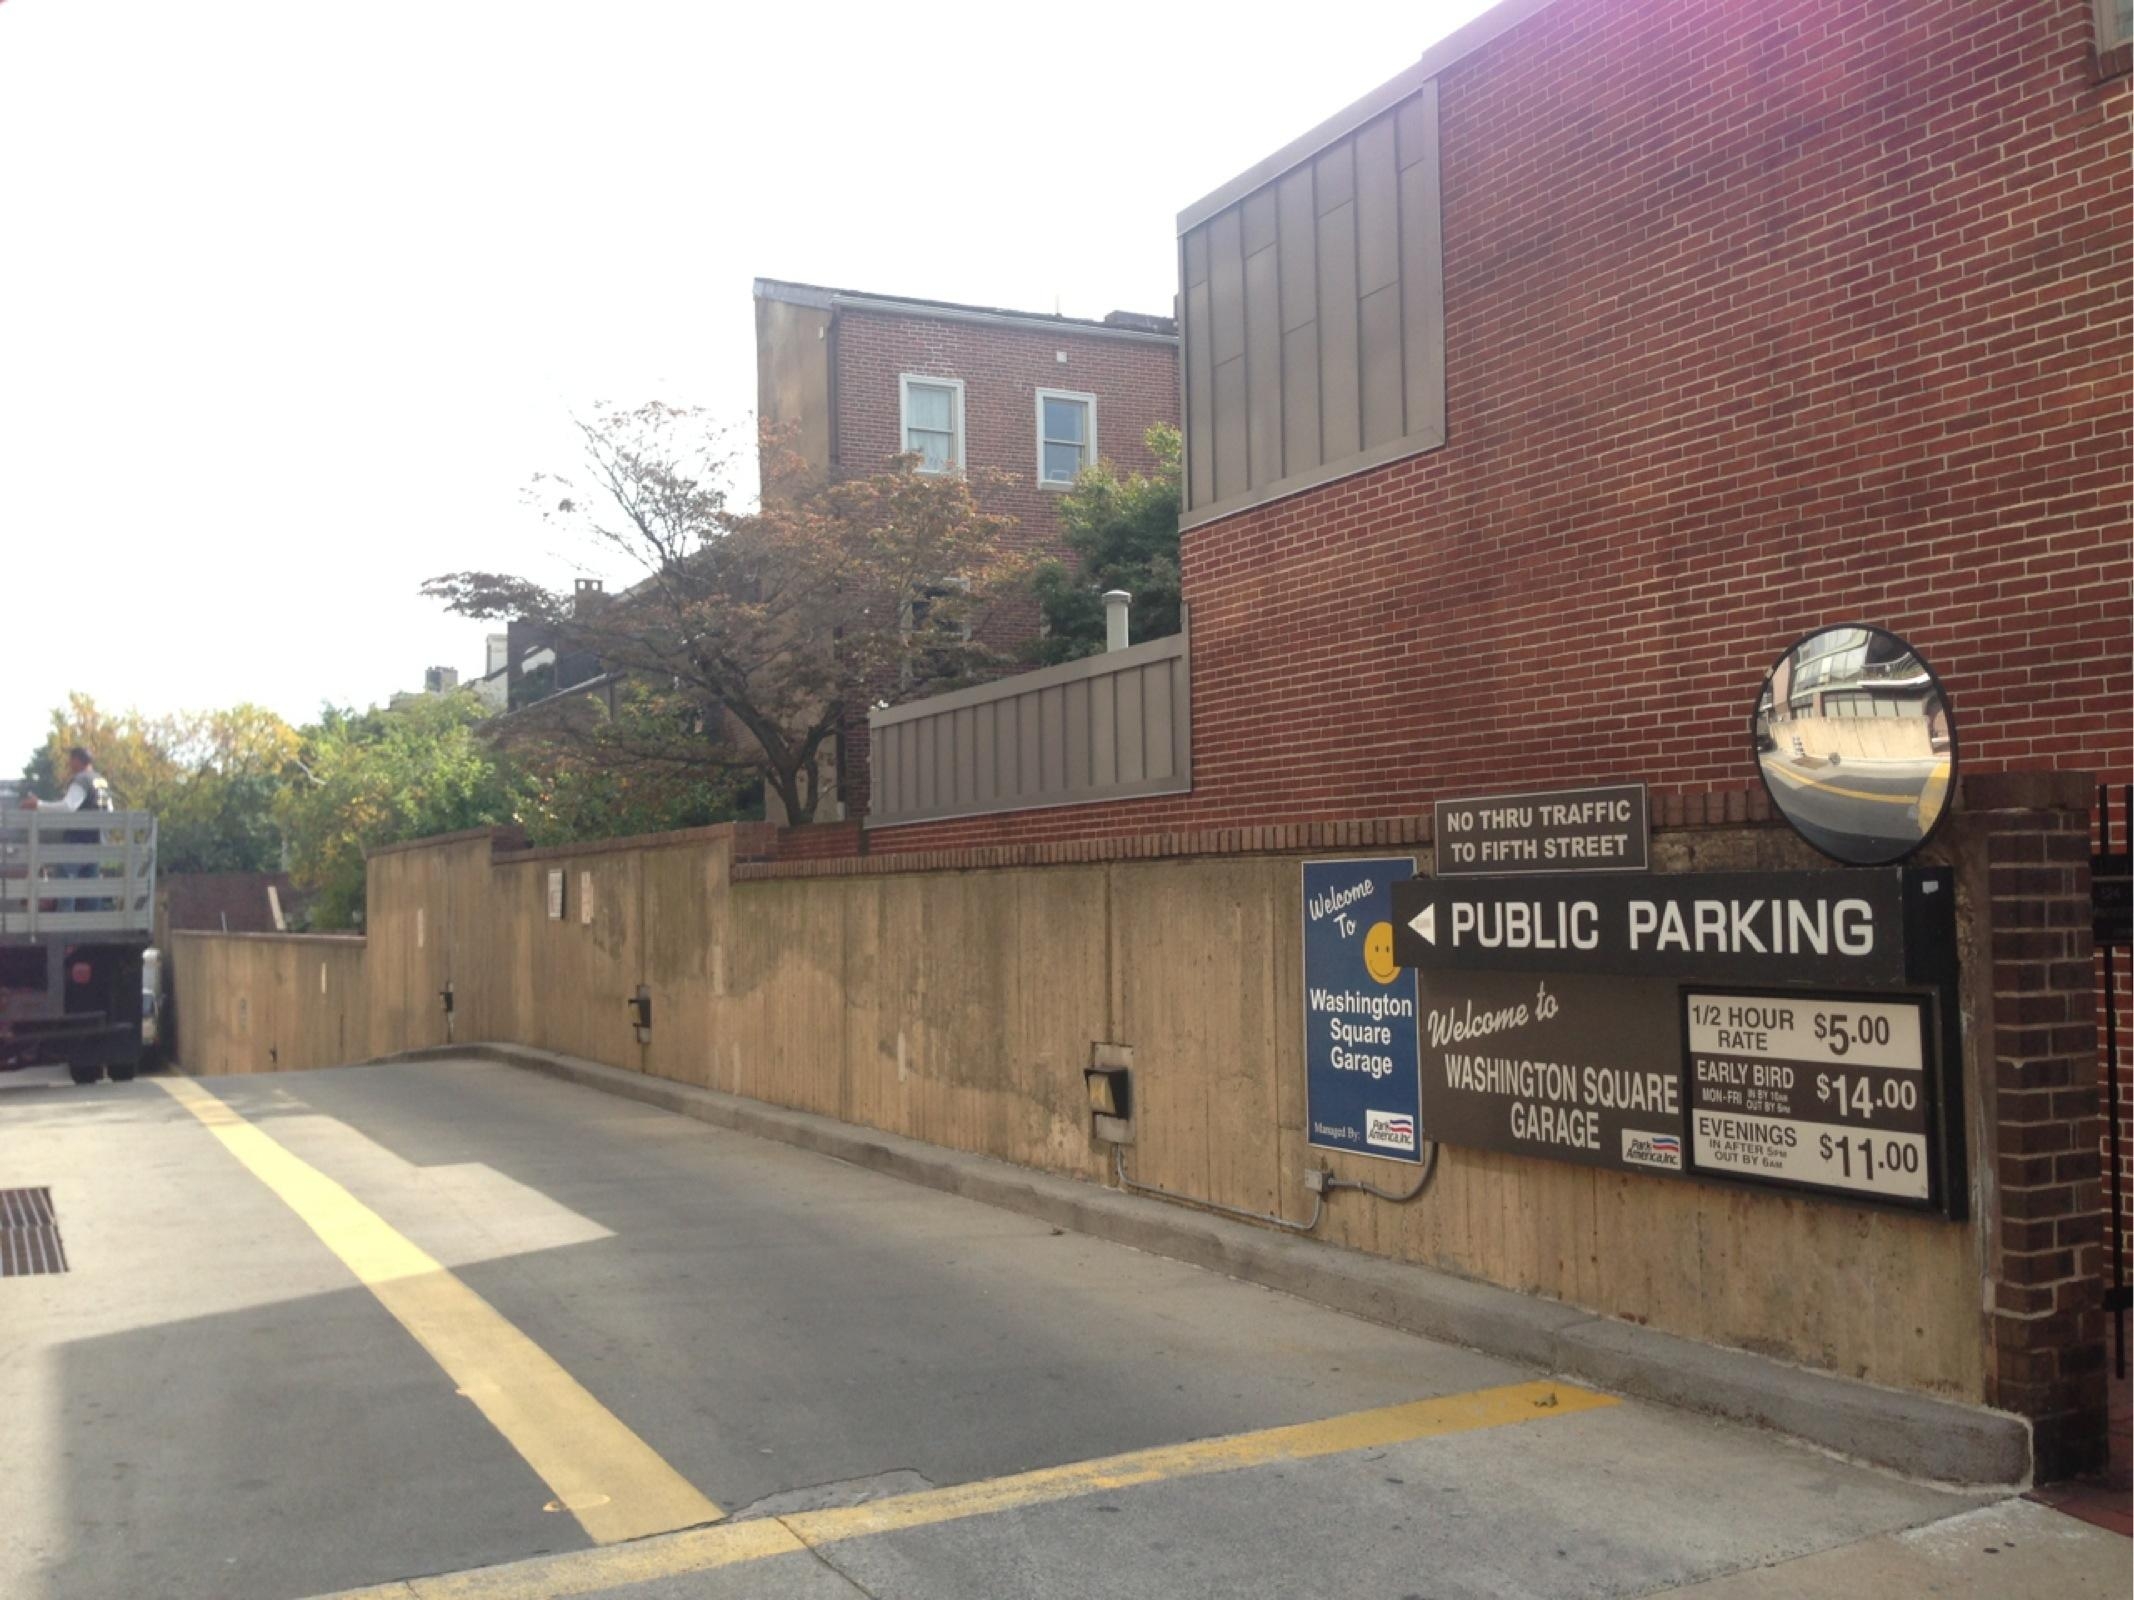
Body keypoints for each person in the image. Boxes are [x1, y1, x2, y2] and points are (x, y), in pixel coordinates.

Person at [19, 747, 115, 911]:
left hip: (78, 843)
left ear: (77, 760)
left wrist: (38, 804)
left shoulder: (81, 780)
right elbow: (111, 810)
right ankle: (91, 926)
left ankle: (64, 927)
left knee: (66, 884)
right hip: (97, 843)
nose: (68, 764)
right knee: (90, 888)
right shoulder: (101, 781)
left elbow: (68, 806)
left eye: (70, 760)